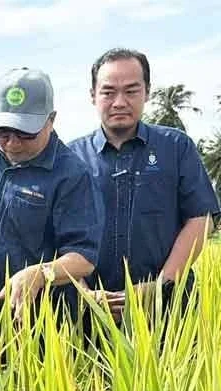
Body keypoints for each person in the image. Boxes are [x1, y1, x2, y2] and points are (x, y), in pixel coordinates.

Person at [69, 48, 220, 321]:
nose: (119, 102)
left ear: (147, 92)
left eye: (131, 91)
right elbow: (58, 234)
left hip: (170, 309)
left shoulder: (176, 146)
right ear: (93, 95)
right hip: (92, 313)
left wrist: (161, 286)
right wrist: (83, 292)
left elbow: (200, 218)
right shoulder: (72, 158)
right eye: (108, 92)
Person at [0, 67, 104, 324]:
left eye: (25, 133)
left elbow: (83, 258)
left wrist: (40, 274)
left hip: (43, 323)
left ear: (51, 120)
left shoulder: (72, 174)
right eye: (3, 132)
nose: (13, 143)